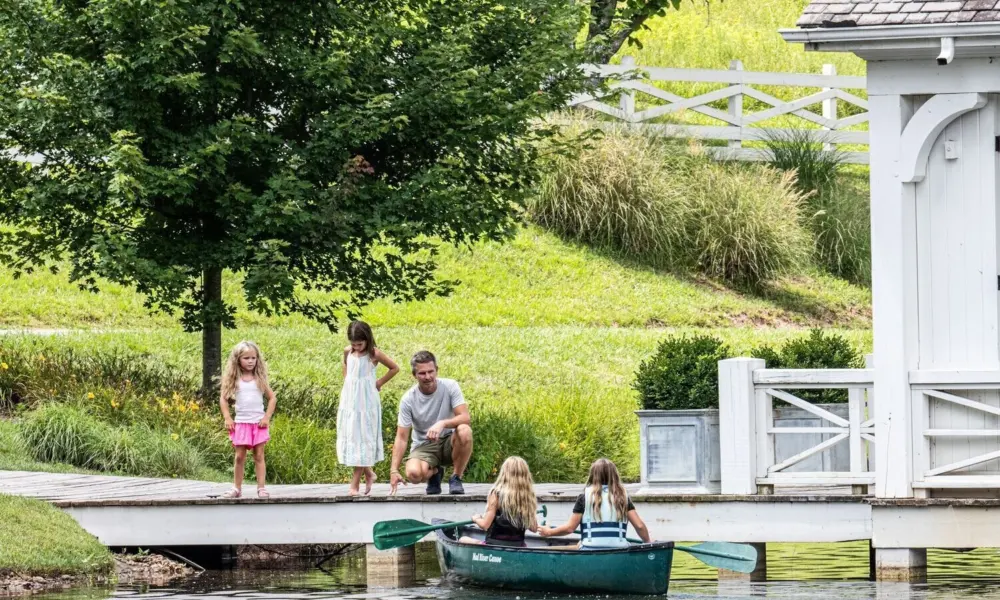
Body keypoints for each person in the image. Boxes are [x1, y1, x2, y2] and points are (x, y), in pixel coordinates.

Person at [388, 350, 473, 495]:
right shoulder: (408, 399)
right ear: (414, 375)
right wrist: (394, 470)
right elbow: (402, 437)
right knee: (413, 475)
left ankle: (456, 477)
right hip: (424, 444)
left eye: (430, 371)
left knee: (465, 430)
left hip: (449, 441)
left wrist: (443, 424)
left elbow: (465, 417)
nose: (428, 377)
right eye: (422, 373)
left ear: (437, 370)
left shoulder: (450, 386)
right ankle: (435, 472)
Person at [337, 320, 399, 496]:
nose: (356, 347)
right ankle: (369, 473)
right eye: (353, 344)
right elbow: (346, 365)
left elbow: (394, 368)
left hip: (366, 403)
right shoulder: (348, 352)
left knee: (362, 437)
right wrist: (348, 382)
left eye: (360, 343)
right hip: (350, 401)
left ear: (367, 339)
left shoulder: (374, 354)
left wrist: (378, 382)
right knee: (353, 436)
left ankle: (354, 485)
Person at [538, 458, 651, 548]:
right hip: (619, 548)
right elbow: (639, 526)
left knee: (579, 545)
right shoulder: (622, 497)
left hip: (589, 548)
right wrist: (648, 542)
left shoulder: (584, 497)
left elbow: (569, 528)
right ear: (614, 475)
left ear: (593, 475)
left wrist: (549, 532)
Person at [218, 341, 277, 499]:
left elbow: (272, 398)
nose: (250, 361)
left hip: (258, 423)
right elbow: (223, 399)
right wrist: (227, 417)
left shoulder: (259, 379)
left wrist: (266, 417)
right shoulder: (234, 380)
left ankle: (261, 488)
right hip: (241, 423)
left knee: (259, 455)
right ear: (238, 359)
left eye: (253, 358)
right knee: (239, 457)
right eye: (246, 358)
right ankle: (236, 488)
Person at [458, 456, 539, 547]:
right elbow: (534, 528)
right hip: (518, 546)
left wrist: (476, 518)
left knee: (462, 539)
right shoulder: (527, 497)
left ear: (504, 473)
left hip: (494, 545)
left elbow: (485, 525)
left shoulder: (496, 494)